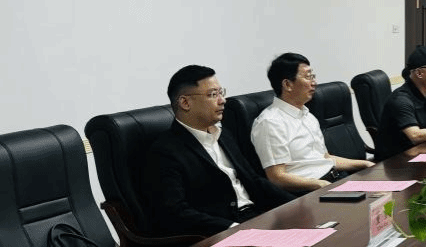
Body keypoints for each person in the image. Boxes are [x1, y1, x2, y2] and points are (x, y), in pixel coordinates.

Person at [146, 65, 290, 236]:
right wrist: (233, 228)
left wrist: (299, 203)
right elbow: (175, 212)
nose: (222, 100)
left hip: (256, 216)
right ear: (185, 103)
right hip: (219, 232)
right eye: (213, 95)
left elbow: (254, 181)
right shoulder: (165, 151)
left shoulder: (223, 135)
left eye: (221, 93)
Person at [250, 52, 372, 193]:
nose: (314, 82)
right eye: (308, 77)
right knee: (375, 202)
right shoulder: (270, 123)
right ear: (287, 84)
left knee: (387, 191)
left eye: (312, 76)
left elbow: (325, 159)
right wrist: (319, 185)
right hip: (310, 191)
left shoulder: (308, 115)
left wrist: (364, 164)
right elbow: (277, 177)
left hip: (334, 179)